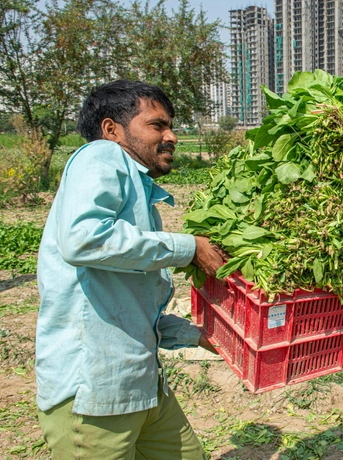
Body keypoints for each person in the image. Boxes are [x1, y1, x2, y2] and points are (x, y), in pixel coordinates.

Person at [35, 80, 226, 459]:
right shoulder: (101, 157)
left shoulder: (139, 197)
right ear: (112, 130)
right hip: (93, 396)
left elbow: (129, 304)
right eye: (157, 125)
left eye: (171, 125)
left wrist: (194, 334)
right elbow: (83, 238)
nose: (172, 136)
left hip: (141, 386)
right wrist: (188, 248)